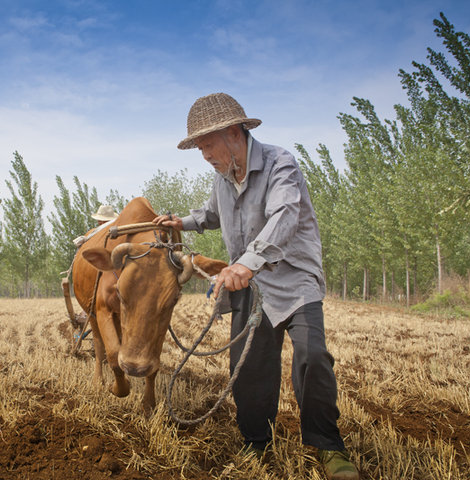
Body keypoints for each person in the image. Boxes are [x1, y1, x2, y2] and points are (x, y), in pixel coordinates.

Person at [153, 93, 359, 480]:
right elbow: (212, 213)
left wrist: (245, 264)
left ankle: (328, 445)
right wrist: (181, 222)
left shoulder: (282, 164)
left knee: (312, 357)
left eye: (207, 144)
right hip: (250, 284)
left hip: (295, 280)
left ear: (234, 133)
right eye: (199, 148)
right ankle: (256, 441)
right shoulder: (222, 176)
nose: (204, 155)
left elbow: (283, 217)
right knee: (248, 369)